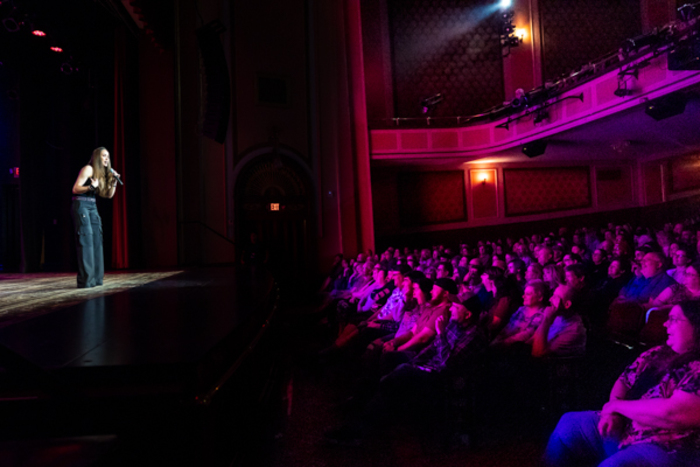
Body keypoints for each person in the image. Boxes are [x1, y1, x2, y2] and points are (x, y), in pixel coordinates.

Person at [544, 300, 700, 467]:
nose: (665, 323)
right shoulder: (657, 352)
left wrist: (617, 407)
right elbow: (624, 381)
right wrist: (613, 414)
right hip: (625, 427)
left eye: (674, 319)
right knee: (568, 425)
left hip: (665, 445)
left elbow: (673, 413)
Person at [71, 147, 119, 288]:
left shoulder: (101, 173)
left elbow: (108, 195)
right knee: (86, 242)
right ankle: (86, 281)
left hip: (92, 206)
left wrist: (114, 181)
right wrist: (90, 187)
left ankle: (97, 280)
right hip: (81, 204)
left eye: (108, 157)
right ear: (97, 157)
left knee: (97, 241)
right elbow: (75, 189)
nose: (107, 159)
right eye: (104, 156)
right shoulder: (88, 169)